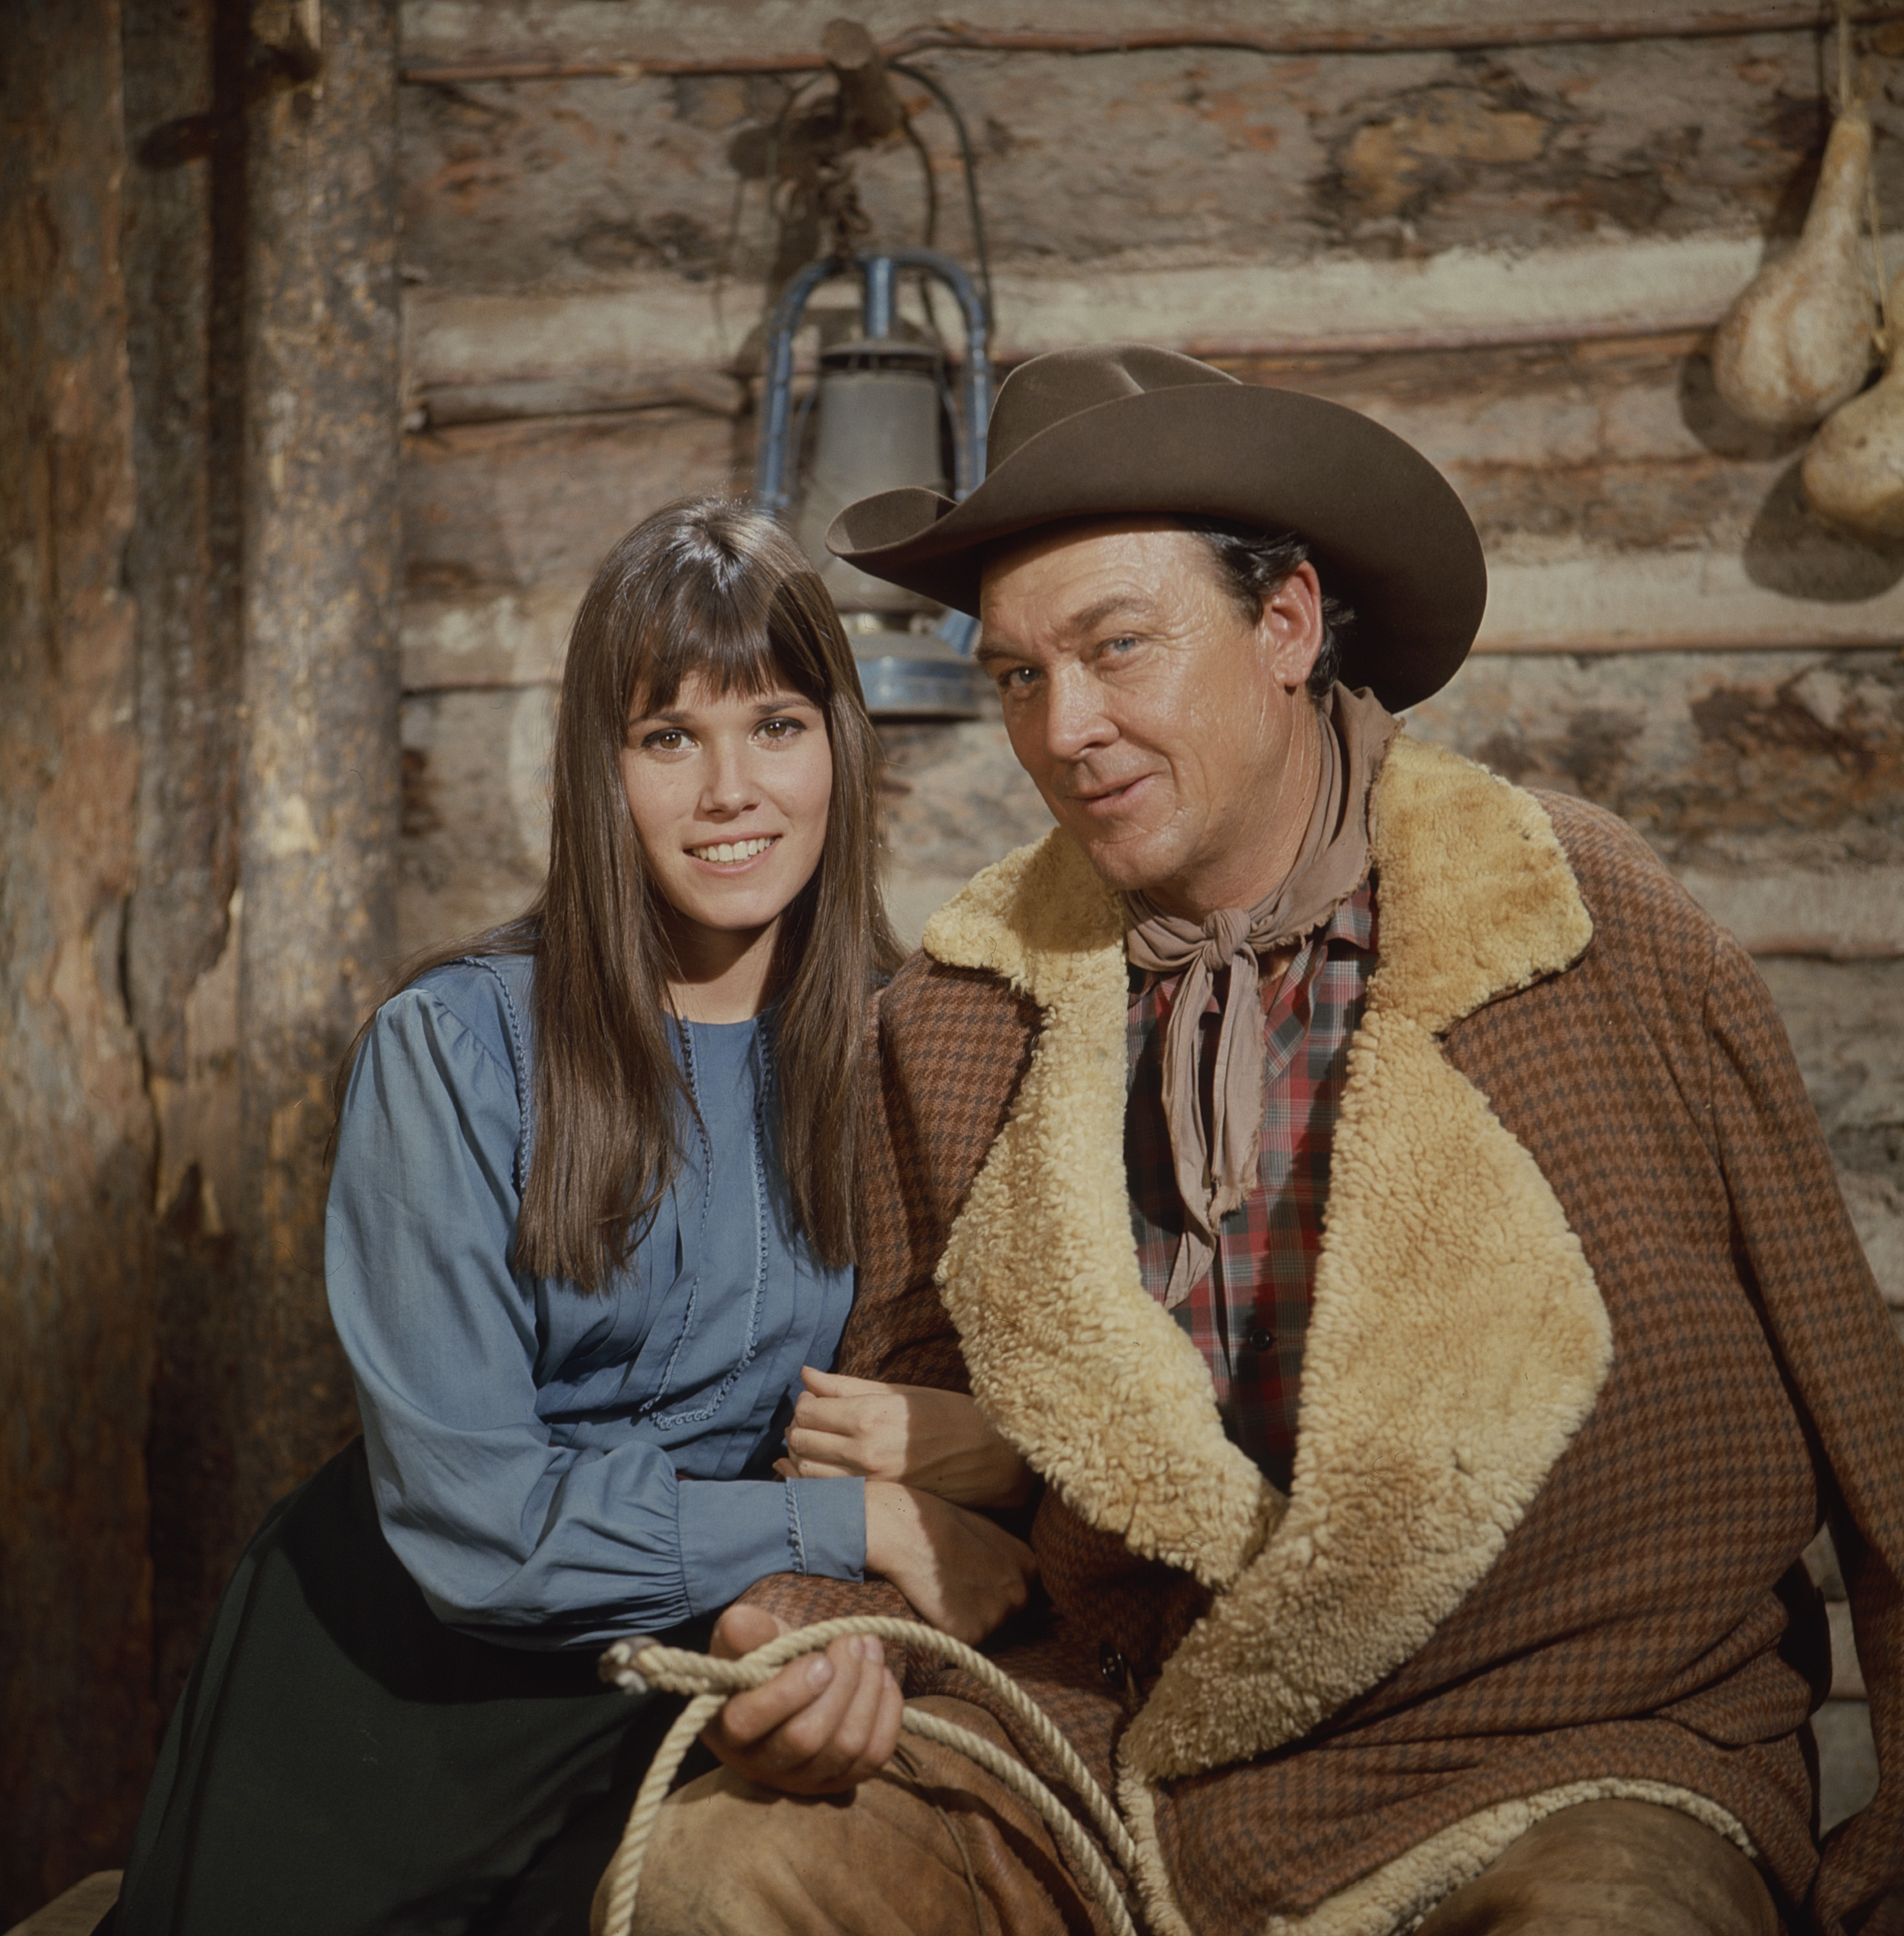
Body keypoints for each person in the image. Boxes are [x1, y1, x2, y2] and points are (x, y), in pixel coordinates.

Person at [621, 349, 1904, 1936]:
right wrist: (830, 1628)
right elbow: (926, 1421)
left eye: (1116, 649)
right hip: (1125, 1748)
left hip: (1561, 1742)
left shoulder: (1575, 918)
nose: (1065, 726)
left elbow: (1866, 1416)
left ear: (1283, 626)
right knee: (720, 1873)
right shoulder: (962, 1011)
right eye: (1019, 674)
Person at [110, 497, 1035, 1936]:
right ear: (603, 772)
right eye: (670, 737)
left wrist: (946, 1490)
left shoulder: (906, 1044)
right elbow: (474, 1522)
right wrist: (859, 1519)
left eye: (777, 725)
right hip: (393, 1699)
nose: (731, 788)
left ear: (843, 752)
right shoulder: (454, 1050)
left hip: (684, 1695)